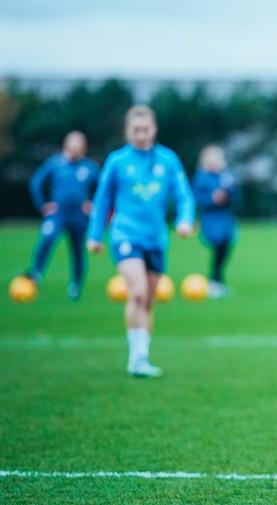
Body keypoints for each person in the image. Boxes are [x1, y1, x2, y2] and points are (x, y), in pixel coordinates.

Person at [86, 105, 195, 378]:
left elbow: (184, 195)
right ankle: (135, 358)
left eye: (145, 129)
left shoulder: (168, 160)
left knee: (148, 300)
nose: (141, 134)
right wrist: (95, 235)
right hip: (125, 235)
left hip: (156, 238)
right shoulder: (117, 161)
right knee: (137, 292)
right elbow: (101, 200)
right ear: (127, 131)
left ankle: (142, 356)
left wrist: (184, 218)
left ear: (154, 129)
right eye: (135, 130)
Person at [24, 131, 100, 300]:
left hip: (78, 216)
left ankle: (75, 286)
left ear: (84, 147)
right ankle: (35, 274)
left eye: (79, 144)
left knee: (78, 250)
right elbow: (36, 183)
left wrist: (93, 204)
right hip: (57, 214)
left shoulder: (89, 167)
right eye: (72, 144)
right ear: (66, 145)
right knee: (47, 238)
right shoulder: (55, 164)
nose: (75, 147)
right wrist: (42, 205)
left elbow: (103, 189)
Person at [192, 145, 241, 298]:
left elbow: (237, 197)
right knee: (218, 245)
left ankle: (217, 280)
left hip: (225, 217)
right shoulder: (202, 177)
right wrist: (212, 199)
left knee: (225, 247)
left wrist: (226, 196)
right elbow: (197, 198)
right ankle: (215, 280)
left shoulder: (227, 176)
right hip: (211, 218)